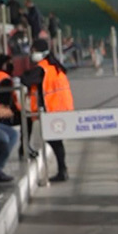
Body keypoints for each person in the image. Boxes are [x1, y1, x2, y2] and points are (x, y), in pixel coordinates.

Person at [21, 39, 74, 182]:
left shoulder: (42, 68)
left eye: (33, 51)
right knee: (55, 141)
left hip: (52, 110)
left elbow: (26, 80)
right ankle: (62, 170)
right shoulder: (55, 66)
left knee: (53, 140)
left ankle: (62, 170)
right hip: (61, 108)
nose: (32, 54)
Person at [0, 55, 37, 159]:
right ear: (3, 65)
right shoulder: (4, 79)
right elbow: (5, 100)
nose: (12, 65)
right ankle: (24, 148)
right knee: (27, 119)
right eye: (9, 63)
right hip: (0, 113)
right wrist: (14, 110)